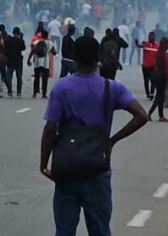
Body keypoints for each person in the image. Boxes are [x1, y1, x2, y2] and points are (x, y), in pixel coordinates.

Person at [40, 35, 149, 236]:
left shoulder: (62, 87)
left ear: (74, 57)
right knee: (100, 230)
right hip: (98, 170)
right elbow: (142, 115)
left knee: (64, 230)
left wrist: (44, 164)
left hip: (67, 170)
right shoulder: (112, 88)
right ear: (98, 57)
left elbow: (50, 129)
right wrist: (113, 140)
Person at [147, 38, 168, 122]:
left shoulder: (158, 53)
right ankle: (150, 113)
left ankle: (161, 115)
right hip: (162, 77)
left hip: (156, 75)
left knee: (160, 96)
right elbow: (167, 69)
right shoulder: (166, 55)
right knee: (159, 97)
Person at [29, 28, 55, 99]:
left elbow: (32, 51)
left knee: (36, 78)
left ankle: (34, 93)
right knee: (45, 79)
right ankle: (44, 93)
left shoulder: (36, 42)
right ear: (47, 36)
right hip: (45, 64)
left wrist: (29, 59)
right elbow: (54, 52)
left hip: (37, 63)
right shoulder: (50, 43)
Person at [4, 27, 27, 97]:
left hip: (10, 61)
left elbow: (5, 50)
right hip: (18, 61)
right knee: (19, 77)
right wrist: (21, 38)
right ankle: (19, 92)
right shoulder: (20, 41)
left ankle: (10, 91)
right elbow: (23, 48)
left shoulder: (9, 40)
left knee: (8, 76)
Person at [137, 32, 158, 100]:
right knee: (146, 80)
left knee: (153, 80)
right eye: (149, 36)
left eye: (152, 37)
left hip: (153, 66)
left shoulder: (158, 45)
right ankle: (147, 93)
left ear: (154, 37)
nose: (151, 38)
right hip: (145, 66)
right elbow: (139, 45)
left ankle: (152, 93)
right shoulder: (145, 43)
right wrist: (136, 43)